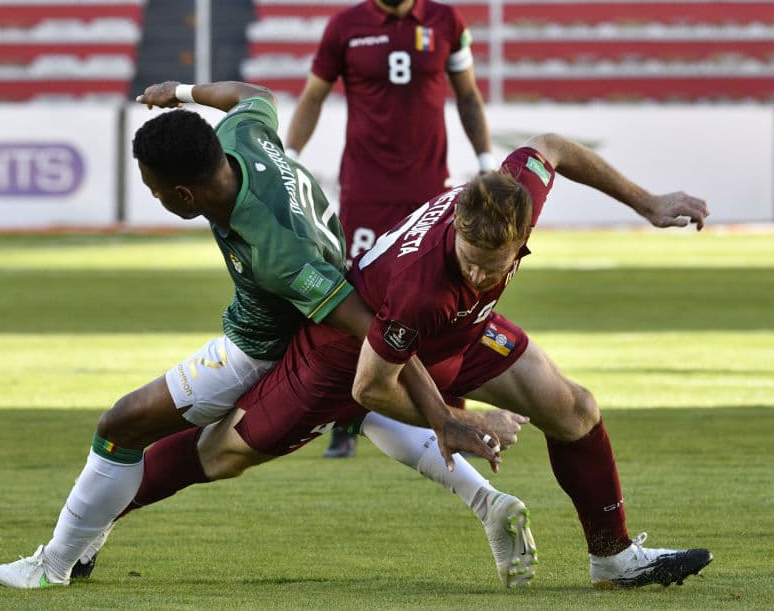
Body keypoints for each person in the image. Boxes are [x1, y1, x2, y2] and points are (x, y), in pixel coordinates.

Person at [75, 133, 714, 589]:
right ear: (455, 226)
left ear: (523, 233)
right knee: (221, 454)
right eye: (470, 258)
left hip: (459, 336)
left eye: (496, 264)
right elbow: (373, 386)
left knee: (575, 410)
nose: (480, 270)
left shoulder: (513, 189)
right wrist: (453, 424)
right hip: (345, 354)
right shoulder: (420, 288)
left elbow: (556, 147)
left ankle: (614, 556)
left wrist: (647, 202)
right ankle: (91, 528)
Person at [0, 80, 535, 590]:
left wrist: (444, 415)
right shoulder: (243, 136)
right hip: (327, 306)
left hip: (258, 350)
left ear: (185, 197)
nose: (154, 198)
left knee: (123, 428)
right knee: (358, 411)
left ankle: (52, 566)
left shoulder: (276, 252)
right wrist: (183, 91)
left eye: (156, 191)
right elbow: (252, 95)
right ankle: (486, 502)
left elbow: (371, 327)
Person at [283, 0, 494, 458]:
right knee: (361, 304)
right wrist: (287, 159)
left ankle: (450, 415)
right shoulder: (344, 27)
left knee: (443, 301)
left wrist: (487, 162)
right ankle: (348, 414)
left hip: (431, 193)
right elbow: (312, 98)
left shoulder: (447, 22)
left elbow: (467, 98)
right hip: (367, 192)